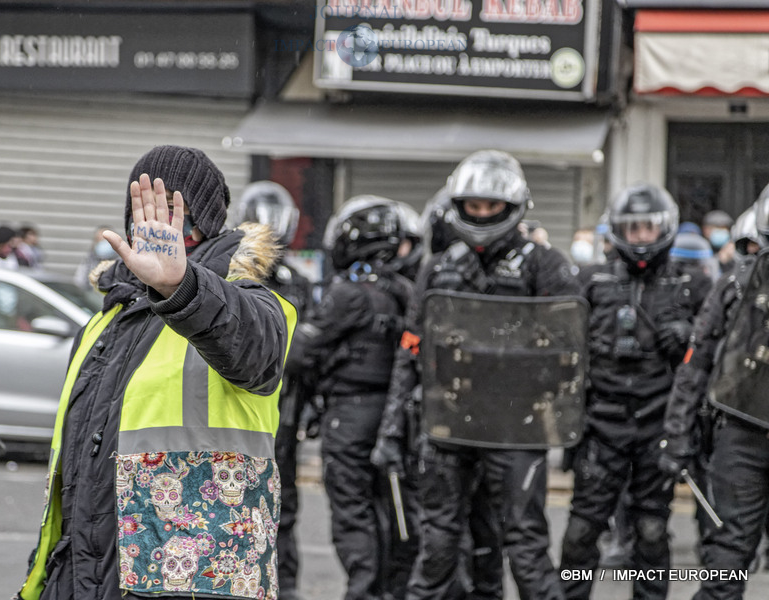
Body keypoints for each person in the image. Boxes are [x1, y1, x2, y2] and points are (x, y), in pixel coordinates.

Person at [16, 145, 296, 600]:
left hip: (191, 577)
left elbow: (256, 351)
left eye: (172, 209)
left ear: (204, 222)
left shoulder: (245, 300)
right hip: (84, 574)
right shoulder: (105, 320)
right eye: (143, 209)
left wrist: (181, 286)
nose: (155, 224)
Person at [373, 150, 578, 600]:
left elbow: (573, 351)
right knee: (438, 547)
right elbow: (410, 350)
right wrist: (391, 430)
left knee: (526, 548)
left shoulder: (545, 264)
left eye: (492, 205)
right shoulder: (439, 267)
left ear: (513, 205)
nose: (482, 214)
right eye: (474, 205)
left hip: (517, 427)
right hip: (449, 424)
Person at [559, 183, 711, 600]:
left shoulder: (692, 285)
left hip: (658, 425)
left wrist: (688, 336)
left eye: (648, 227)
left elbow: (716, 348)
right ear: (618, 232)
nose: (641, 237)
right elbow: (557, 345)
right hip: (600, 425)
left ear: (665, 228)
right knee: (580, 531)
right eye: (632, 228)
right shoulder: (590, 281)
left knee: (651, 530)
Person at [288, 195, 416, 600]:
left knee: (353, 512)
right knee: (389, 509)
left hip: (350, 417)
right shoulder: (406, 291)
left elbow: (299, 352)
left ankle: (363, 592)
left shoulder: (348, 293)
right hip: (395, 418)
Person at [660, 193, 769, 600]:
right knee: (726, 558)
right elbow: (696, 364)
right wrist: (677, 434)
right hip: (743, 431)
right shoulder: (736, 286)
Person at [235, 180, 313, 600]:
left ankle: (287, 584)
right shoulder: (231, 274)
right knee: (240, 499)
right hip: (244, 407)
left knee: (285, 502)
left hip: (286, 408)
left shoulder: (297, 280)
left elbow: (309, 348)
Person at [702, 209, 736, 275]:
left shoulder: (733, 252)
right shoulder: (699, 248)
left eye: (724, 228)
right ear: (705, 230)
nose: (721, 231)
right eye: (717, 227)